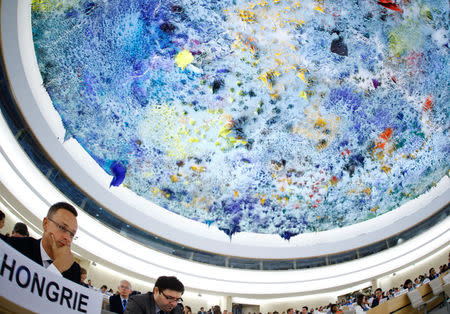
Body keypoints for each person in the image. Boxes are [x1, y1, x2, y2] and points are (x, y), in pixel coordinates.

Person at [0, 202, 81, 283]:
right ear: (45, 224)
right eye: (62, 228)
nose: (67, 238)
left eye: (72, 234)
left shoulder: (74, 270)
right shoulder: (15, 247)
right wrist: (56, 268)